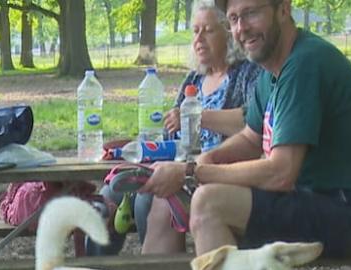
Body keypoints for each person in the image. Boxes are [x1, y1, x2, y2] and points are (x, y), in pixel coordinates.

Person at [138, 0, 351, 270]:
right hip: (317, 200)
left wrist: (192, 172)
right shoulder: (271, 71)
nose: (242, 28)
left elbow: (280, 173)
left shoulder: (305, 63)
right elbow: (251, 138)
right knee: (169, 198)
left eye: (251, 13)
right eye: (234, 18)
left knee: (209, 203)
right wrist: (213, 157)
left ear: (283, 9)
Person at [102, 0, 262, 247]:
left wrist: (197, 117)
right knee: (110, 194)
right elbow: (171, 137)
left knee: (148, 200)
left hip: (214, 173)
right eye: (195, 31)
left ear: (229, 34)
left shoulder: (248, 74)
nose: (199, 38)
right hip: (177, 165)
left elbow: (252, 120)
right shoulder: (194, 78)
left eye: (208, 30)